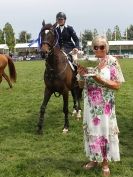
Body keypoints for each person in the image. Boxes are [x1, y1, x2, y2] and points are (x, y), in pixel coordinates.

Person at [77, 36, 125, 176]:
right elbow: (81, 85)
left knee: (104, 132)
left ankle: (105, 162)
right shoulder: (88, 61)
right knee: (91, 131)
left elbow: (117, 85)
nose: (98, 49)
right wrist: (81, 75)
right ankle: (94, 159)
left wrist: (99, 79)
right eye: (95, 47)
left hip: (105, 107)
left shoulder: (112, 62)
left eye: (102, 47)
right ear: (92, 48)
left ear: (107, 48)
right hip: (90, 106)